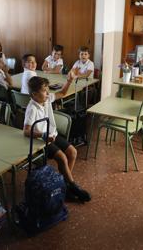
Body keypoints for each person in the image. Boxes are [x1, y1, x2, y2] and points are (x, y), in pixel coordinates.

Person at [24, 75, 91, 203]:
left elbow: (62, 93)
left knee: (72, 152)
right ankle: (73, 186)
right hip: (41, 141)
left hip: (52, 135)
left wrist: (69, 81)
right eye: (44, 90)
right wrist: (42, 135)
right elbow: (26, 131)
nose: (47, 92)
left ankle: (63, 186)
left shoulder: (47, 99)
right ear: (34, 94)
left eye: (47, 89)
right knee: (62, 157)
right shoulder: (32, 108)